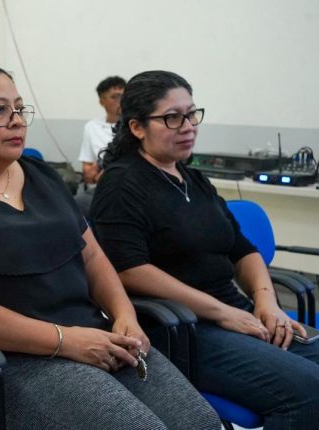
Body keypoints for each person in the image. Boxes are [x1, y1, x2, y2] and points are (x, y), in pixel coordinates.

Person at [0, 64, 219, 429]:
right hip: (7, 362)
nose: (16, 120)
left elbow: (92, 256)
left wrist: (124, 314)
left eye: (19, 109)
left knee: (201, 422)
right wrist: (66, 340)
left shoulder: (41, 175)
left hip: (96, 337)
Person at [91, 70, 319, 429]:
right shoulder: (121, 184)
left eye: (191, 114)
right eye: (172, 118)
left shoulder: (193, 178)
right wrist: (222, 313)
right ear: (137, 127)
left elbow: (242, 249)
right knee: (308, 391)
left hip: (233, 312)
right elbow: (129, 269)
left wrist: (266, 302)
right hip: (182, 327)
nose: (188, 127)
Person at [78, 75, 124, 185]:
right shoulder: (92, 127)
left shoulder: (137, 125)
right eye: (115, 97)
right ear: (102, 101)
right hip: (102, 182)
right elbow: (87, 168)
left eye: (124, 96)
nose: (121, 101)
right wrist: (93, 175)